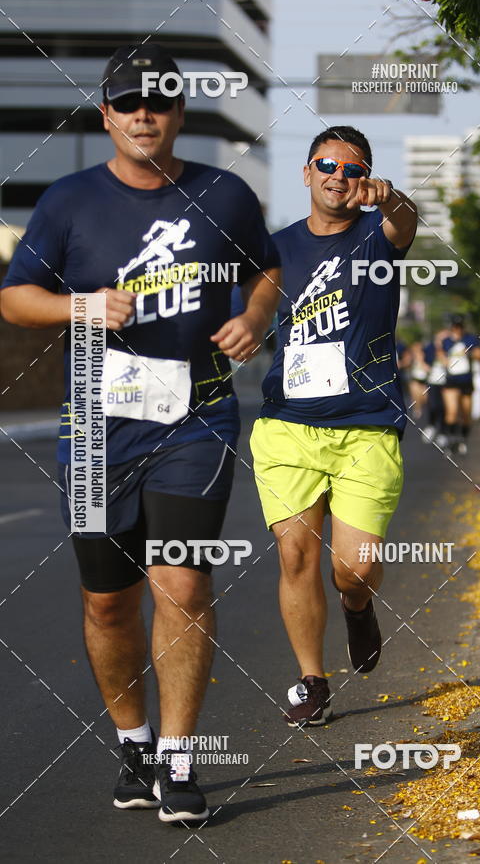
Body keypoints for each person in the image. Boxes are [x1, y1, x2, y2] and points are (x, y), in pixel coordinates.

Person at [0, 43, 280, 822]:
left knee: (182, 583)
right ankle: (135, 744)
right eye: (129, 104)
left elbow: (266, 267)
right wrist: (80, 307)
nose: (144, 115)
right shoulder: (66, 202)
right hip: (95, 428)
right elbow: (15, 297)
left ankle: (182, 763)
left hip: (196, 416)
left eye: (158, 102)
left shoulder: (224, 195)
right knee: (107, 604)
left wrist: (254, 315)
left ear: (180, 114)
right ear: (107, 116)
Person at [250, 125, 417, 727]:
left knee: (354, 566)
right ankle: (311, 680)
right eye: (326, 165)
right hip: (288, 425)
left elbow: (406, 221)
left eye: (351, 170)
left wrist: (390, 197)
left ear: (364, 179)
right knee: (296, 554)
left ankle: (357, 604)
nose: (337, 177)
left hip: (367, 426)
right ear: (306, 173)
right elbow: (255, 306)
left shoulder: (379, 235)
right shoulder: (274, 248)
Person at [437, 315, 480, 454]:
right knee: (452, 412)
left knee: (466, 414)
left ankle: (463, 440)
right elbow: (441, 355)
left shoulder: (471, 340)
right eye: (455, 326)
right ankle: (451, 440)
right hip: (451, 381)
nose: (457, 329)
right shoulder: (446, 341)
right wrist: (444, 359)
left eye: (459, 326)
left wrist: (470, 353)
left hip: (466, 380)